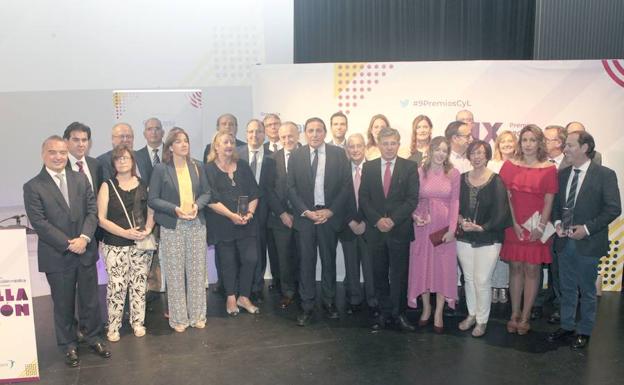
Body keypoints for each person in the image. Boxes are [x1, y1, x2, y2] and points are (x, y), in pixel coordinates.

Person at [24, 136, 110, 367]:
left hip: (85, 251)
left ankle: (94, 338)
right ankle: (68, 345)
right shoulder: (33, 186)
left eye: (62, 152)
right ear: (44, 154)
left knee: (91, 301)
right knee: (63, 304)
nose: (58, 156)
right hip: (57, 254)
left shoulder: (80, 179)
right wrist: (68, 243)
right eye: (53, 152)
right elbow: (39, 223)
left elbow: (92, 212)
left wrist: (83, 238)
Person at [547, 131, 620, 349]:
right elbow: (557, 206)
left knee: (587, 291)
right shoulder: (562, 174)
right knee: (566, 288)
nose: (565, 149)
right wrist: (558, 222)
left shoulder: (605, 175)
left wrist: (587, 229)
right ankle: (567, 326)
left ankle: (585, 331)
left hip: (588, 242)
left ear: (585, 147)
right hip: (563, 242)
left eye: (569, 145)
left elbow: (613, 209)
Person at [288, 117, 351, 326]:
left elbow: (345, 186)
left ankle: (329, 302)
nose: (314, 134)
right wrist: (305, 211)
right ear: (305, 133)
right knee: (306, 263)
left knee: (328, 262)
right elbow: (291, 188)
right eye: (311, 130)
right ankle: (306, 306)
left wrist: (330, 211)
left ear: (325, 133)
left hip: (328, 218)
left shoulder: (338, 154)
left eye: (318, 130)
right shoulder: (296, 155)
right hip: (306, 219)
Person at [148, 127, 211, 332]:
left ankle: (198, 316)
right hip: (172, 226)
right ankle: (178, 319)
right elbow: (153, 199)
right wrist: (175, 209)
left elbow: (206, 193)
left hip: (195, 225)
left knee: (196, 273)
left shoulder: (198, 166)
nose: (184, 144)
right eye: (178, 141)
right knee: (175, 274)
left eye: (186, 140)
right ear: (170, 147)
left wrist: (196, 206)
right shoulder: (161, 169)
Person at [499, 124, 558, 335]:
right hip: (513, 225)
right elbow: (505, 198)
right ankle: (514, 314)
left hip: (537, 227)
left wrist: (541, 227)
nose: (528, 144)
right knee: (515, 269)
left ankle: (525, 316)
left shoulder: (549, 168)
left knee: (532, 270)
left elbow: (549, 200)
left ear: (539, 142)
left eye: (533, 140)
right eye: (524, 140)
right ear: (519, 142)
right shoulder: (509, 166)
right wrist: (513, 223)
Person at [360, 127, 419, 331]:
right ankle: (384, 313)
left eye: (393, 143)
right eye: (385, 143)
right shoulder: (369, 167)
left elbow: (412, 199)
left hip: (399, 230)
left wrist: (392, 220)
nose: (389, 147)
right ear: (378, 144)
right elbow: (364, 198)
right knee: (379, 273)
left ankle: (399, 314)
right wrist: (377, 220)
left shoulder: (410, 167)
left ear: (398, 143)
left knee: (400, 275)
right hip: (376, 232)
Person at [97, 145, 155, 341]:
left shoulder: (143, 183)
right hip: (115, 244)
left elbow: (151, 210)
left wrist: (147, 229)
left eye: (126, 158)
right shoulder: (107, 185)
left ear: (132, 161)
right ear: (113, 163)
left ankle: (138, 323)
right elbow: (101, 219)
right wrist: (125, 232)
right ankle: (113, 326)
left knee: (139, 284)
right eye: (118, 158)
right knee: (117, 285)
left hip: (140, 244)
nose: (122, 161)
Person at [456, 141, 511, 337]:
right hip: (464, 237)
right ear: (468, 156)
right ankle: (471, 315)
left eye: (481, 153)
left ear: (487, 155)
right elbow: (456, 205)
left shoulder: (496, 180)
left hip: (489, 237)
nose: (477, 156)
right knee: (469, 279)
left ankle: (482, 320)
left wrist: (482, 227)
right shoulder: (461, 179)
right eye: (473, 153)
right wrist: (461, 220)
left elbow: (501, 212)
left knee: (482, 279)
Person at [407, 136, 460, 333]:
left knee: (442, 269)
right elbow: (412, 199)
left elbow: (455, 203)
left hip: (443, 229)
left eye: (444, 150)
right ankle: (426, 308)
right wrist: (414, 217)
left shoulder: (453, 174)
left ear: (448, 154)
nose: (440, 154)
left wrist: (453, 230)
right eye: (437, 149)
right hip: (422, 227)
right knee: (423, 267)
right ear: (430, 150)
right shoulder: (420, 172)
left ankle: (439, 310)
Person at [205, 130, 261, 316]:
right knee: (228, 262)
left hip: (247, 222)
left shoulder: (243, 166)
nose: (229, 145)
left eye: (231, 142)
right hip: (222, 224)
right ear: (216, 146)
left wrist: (250, 213)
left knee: (251, 258)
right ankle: (230, 297)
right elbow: (210, 200)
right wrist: (231, 215)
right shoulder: (209, 169)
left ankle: (243, 297)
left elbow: (254, 193)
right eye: (225, 142)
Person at [237, 119, 278, 303]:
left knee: (259, 251)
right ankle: (240, 288)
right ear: (246, 134)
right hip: (239, 210)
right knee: (240, 251)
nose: (255, 135)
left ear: (264, 134)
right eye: (251, 131)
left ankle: (256, 288)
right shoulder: (236, 154)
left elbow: (273, 188)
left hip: (264, 212)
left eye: (259, 131)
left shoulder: (273, 157)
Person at [532, 125, 568, 323]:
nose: (542, 142)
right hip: (538, 221)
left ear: (559, 143)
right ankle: (534, 304)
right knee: (535, 264)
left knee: (558, 268)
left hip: (560, 224)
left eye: (546, 139)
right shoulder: (537, 162)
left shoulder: (570, 164)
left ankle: (558, 308)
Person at [339, 133, 378, 316]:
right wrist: (351, 221)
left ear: (365, 148)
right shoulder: (341, 171)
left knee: (371, 267)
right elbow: (337, 199)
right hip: (348, 226)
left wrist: (365, 222)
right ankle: (354, 299)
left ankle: (373, 300)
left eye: (359, 146)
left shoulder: (374, 169)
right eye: (351, 146)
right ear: (347, 150)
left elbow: (377, 200)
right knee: (351, 266)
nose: (355, 150)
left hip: (369, 227)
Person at [267, 122, 300, 308]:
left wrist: (301, 212)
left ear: (298, 136)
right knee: (284, 258)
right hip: (280, 218)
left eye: (291, 136)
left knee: (304, 256)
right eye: (283, 137)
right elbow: (268, 190)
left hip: (303, 217)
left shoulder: (306, 156)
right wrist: (282, 213)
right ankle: (288, 292)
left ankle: (304, 290)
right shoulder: (271, 159)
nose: (287, 140)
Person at [487, 130, 517, 304]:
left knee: (506, 252)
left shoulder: (519, 164)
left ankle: (503, 287)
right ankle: (493, 286)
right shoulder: (491, 164)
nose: (506, 144)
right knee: (494, 253)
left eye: (510, 141)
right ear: (497, 144)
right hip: (493, 214)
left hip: (512, 214)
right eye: (503, 141)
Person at [63, 122, 103, 195]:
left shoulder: (95, 164)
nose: (81, 144)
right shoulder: (60, 165)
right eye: (76, 140)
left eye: (84, 140)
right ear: (66, 142)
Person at [134, 117, 165, 183]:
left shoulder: (173, 154)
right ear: (144, 134)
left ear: (163, 133)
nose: (153, 132)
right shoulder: (136, 156)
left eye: (157, 128)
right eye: (149, 129)